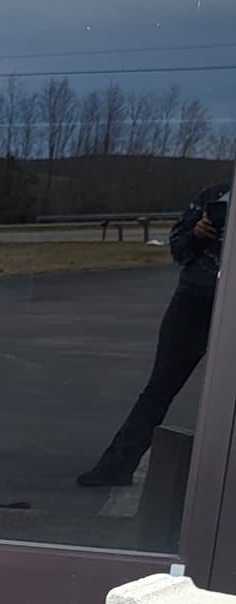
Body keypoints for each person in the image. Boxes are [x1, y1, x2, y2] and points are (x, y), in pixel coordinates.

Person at [77, 182, 229, 487]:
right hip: (195, 299)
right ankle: (116, 466)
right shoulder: (213, 195)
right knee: (160, 386)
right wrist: (198, 234)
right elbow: (177, 246)